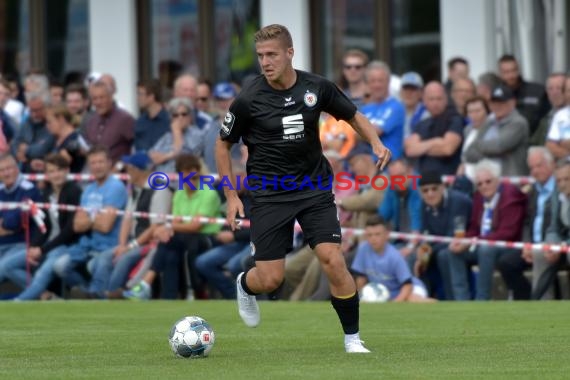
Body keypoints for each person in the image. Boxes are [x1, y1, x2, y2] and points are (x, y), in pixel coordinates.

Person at [216, 24, 391, 354]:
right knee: (270, 280)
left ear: (289, 53)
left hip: (313, 189)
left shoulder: (317, 87)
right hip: (269, 193)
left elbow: (352, 115)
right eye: (260, 56)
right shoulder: (248, 99)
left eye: (271, 55)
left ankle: (353, 339)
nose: (265, 62)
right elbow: (222, 145)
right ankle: (244, 283)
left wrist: (376, 142)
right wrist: (230, 195)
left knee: (332, 259)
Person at [351, 215, 432, 303]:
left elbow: (408, 285)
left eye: (377, 234)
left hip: (411, 288)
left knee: (412, 300)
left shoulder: (394, 256)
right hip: (384, 294)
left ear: (387, 235)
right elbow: (361, 278)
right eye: (369, 235)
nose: (373, 238)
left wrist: (395, 304)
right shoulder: (363, 249)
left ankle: (438, 305)